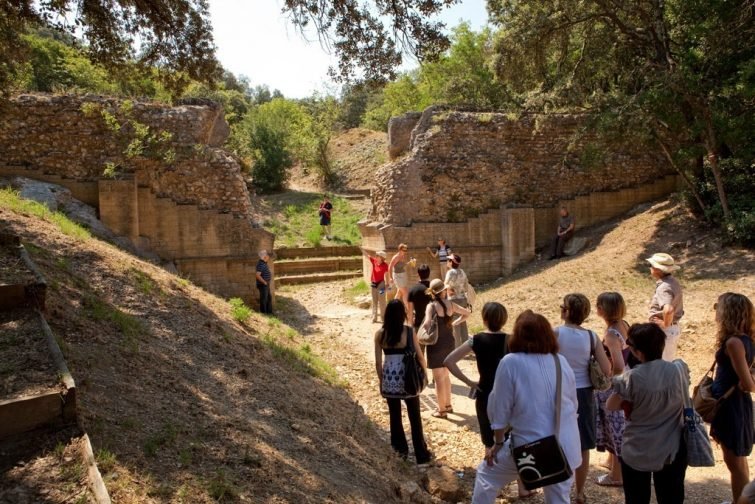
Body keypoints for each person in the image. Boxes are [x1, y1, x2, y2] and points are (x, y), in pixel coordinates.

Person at [472, 310, 581, 504]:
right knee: (558, 498)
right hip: (565, 445)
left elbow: (499, 411)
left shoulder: (511, 362)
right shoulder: (560, 361)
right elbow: (574, 403)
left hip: (530, 448)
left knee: (487, 475)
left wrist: (497, 444)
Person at [444, 302, 536, 499]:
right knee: (518, 441)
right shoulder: (513, 341)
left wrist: (469, 382)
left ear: (484, 319)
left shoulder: (475, 340)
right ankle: (523, 487)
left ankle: (493, 484)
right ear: (504, 320)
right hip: (511, 396)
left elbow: (449, 361)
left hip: (485, 394)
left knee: (490, 439)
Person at [606, 323, 688, 504]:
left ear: (638, 352)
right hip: (671, 446)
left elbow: (611, 405)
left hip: (638, 448)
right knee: (671, 497)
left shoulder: (632, 378)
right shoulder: (678, 370)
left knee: (636, 498)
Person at [553, 293, 611, 504]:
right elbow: (607, 369)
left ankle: (556, 486)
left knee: (555, 438)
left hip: (559, 391)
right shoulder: (591, 336)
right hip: (585, 393)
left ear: (566, 312)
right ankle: (579, 491)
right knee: (583, 443)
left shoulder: (556, 333)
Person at [374, 300, 432, 464]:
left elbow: (378, 363)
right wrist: (424, 373)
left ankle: (400, 451)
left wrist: (382, 380)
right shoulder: (408, 331)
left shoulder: (380, 334)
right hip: (408, 378)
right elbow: (420, 356)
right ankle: (421, 453)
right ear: (402, 314)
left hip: (389, 379)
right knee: (414, 416)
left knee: (395, 416)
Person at [710, 293, 755, 503]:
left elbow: (747, 384)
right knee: (739, 459)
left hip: (731, 406)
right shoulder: (745, 339)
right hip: (736, 405)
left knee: (734, 464)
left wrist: (741, 384)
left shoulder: (734, 342)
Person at [594, 292, 630, 487]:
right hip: (626, 381)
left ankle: (617, 475)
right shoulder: (624, 325)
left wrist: (607, 379)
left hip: (615, 385)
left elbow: (618, 364)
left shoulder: (610, 334)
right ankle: (611, 462)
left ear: (603, 309)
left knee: (616, 428)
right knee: (615, 426)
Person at [422, 278, 470, 418]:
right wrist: (456, 322)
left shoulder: (431, 306)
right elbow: (467, 313)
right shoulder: (451, 304)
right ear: (443, 291)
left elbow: (426, 324)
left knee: (438, 379)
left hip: (436, 344)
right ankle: (448, 405)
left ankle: (441, 410)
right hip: (449, 342)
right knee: (446, 375)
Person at [646, 252, 684, 361]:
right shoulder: (673, 282)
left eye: (651, 266)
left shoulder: (664, 287)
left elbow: (668, 310)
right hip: (671, 329)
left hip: (664, 331)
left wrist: (665, 324)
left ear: (657, 269)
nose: (650, 268)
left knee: (661, 365)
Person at [444, 254, 471, 348]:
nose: (447, 261)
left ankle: (457, 347)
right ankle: (466, 346)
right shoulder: (462, 271)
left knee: (455, 322)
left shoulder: (450, 272)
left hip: (454, 300)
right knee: (463, 320)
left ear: (451, 262)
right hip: (463, 298)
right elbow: (466, 284)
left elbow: (446, 286)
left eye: (449, 260)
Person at [361, 248, 389, 323]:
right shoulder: (374, 261)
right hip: (373, 284)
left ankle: (383, 318)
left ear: (381, 258)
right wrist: (361, 249)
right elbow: (367, 255)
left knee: (382, 302)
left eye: (377, 255)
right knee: (374, 301)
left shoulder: (385, 265)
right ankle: (374, 318)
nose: (376, 256)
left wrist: (387, 284)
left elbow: (386, 275)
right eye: (376, 255)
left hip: (381, 285)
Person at [386, 243, 413, 308]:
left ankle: (392, 307)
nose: (405, 252)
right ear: (400, 249)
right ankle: (408, 310)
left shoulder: (403, 256)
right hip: (397, 276)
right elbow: (390, 267)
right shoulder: (396, 257)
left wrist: (409, 263)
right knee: (405, 292)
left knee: (399, 293)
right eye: (404, 250)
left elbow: (402, 266)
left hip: (403, 275)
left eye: (406, 250)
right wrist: (390, 278)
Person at [407, 264, 431, 333]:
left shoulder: (412, 290)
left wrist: (410, 329)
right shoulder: (434, 288)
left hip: (419, 325)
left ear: (418, 274)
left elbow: (410, 313)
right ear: (429, 273)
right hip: (433, 325)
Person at [255, 249, 273, 314]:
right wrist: (264, 282)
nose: (268, 256)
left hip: (265, 284)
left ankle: (269, 313)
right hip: (263, 285)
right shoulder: (260, 264)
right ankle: (264, 314)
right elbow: (257, 275)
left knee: (268, 298)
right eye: (267, 255)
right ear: (265, 257)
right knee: (264, 300)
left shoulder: (263, 263)